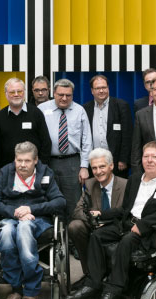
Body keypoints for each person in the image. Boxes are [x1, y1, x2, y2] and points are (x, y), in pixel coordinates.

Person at [65, 142, 156, 299]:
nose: (149, 160)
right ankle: (93, 284)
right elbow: (125, 209)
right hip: (126, 223)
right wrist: (101, 214)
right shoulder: (135, 179)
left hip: (152, 231)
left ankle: (114, 292)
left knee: (127, 241)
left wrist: (144, 224)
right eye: (146, 156)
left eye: (154, 157)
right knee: (97, 235)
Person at [0, 142, 66, 299]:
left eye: (27, 161)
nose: (22, 165)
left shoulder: (45, 172)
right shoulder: (6, 172)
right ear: (14, 160)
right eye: (19, 160)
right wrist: (15, 212)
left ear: (35, 160)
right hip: (12, 217)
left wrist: (31, 209)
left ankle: (32, 291)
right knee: (7, 232)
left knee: (24, 229)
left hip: (37, 219)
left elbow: (60, 201)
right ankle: (16, 289)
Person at [64, 148, 128, 289]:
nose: (98, 171)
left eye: (102, 166)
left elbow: (126, 213)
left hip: (116, 228)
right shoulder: (90, 184)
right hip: (94, 226)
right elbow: (77, 211)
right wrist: (94, 220)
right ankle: (90, 275)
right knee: (75, 226)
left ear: (111, 166)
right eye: (94, 168)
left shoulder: (125, 185)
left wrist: (105, 221)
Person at [39, 79, 92, 218]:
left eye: (68, 95)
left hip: (72, 162)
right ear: (54, 93)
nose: (64, 98)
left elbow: (87, 140)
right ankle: (53, 235)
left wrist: (84, 166)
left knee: (74, 201)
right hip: (48, 162)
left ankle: (72, 236)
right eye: (60, 94)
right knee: (49, 199)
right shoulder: (42, 109)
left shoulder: (79, 110)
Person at [0, 78, 51, 172]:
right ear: (6, 94)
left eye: (19, 91)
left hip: (33, 171)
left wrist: (42, 168)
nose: (16, 94)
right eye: (12, 92)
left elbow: (46, 143)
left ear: (24, 92)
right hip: (7, 171)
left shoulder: (36, 113)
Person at [83, 75, 133, 177]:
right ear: (92, 91)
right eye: (97, 88)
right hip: (94, 161)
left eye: (104, 87)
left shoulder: (121, 105)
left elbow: (127, 134)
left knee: (118, 190)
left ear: (108, 88)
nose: (101, 91)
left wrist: (123, 159)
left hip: (116, 162)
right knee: (95, 190)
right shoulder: (85, 108)